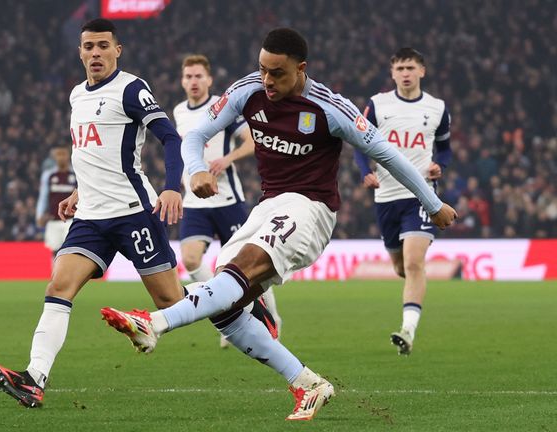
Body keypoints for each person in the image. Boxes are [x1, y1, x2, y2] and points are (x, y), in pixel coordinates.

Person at [101, 28, 457, 421]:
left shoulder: (331, 107)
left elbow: (389, 155)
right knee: (227, 308)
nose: (267, 80)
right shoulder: (248, 89)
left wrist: (434, 203)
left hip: (311, 210)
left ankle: (153, 323)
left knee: (237, 273)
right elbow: (196, 133)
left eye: (277, 73)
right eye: (262, 69)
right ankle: (307, 382)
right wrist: (198, 167)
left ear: (301, 69)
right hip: (268, 207)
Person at [0, 17, 282, 413]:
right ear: (79, 52)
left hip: (133, 213)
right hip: (90, 218)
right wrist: (78, 191)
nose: (95, 53)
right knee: (59, 287)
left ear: (117, 50)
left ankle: (239, 302)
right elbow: (94, 152)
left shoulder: (131, 88)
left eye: (103, 46)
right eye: (88, 47)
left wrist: (172, 186)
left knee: (170, 299)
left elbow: (170, 138)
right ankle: (34, 379)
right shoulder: (77, 95)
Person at [174, 54, 281, 348]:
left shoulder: (222, 106)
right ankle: (229, 308)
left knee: (248, 264)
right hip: (195, 201)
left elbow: (251, 141)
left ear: (209, 79)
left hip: (226, 199)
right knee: (191, 259)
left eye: (198, 76)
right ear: (182, 81)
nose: (193, 82)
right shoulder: (179, 112)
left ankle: (271, 315)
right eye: (188, 77)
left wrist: (227, 158)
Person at [353, 48, 452, 355]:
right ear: (392, 73)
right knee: (401, 267)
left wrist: (441, 166)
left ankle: (408, 330)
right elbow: (358, 142)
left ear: (422, 71)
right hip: (386, 195)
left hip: (421, 194)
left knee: (413, 262)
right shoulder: (378, 104)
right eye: (399, 68)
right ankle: (414, 294)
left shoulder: (437, 108)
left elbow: (445, 149)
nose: (405, 73)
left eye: (410, 67)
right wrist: (364, 171)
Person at [35, 145, 77, 253]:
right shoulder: (48, 175)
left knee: (71, 250)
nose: (61, 157)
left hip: (72, 220)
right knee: (54, 251)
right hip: (53, 219)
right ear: (54, 156)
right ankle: (55, 270)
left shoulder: (76, 174)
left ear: (68, 155)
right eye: (58, 154)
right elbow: (43, 197)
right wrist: (39, 215)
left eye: (63, 154)